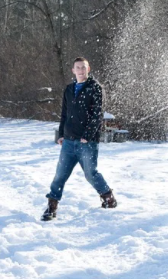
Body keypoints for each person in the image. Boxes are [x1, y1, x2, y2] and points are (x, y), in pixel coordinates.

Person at [42, 57, 117, 221]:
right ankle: (52, 206)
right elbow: (64, 113)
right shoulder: (69, 89)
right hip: (68, 141)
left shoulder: (95, 88)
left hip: (87, 142)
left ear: (88, 69)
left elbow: (97, 114)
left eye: (83, 67)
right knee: (60, 175)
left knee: (91, 174)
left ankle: (108, 198)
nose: (81, 70)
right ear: (73, 70)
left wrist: (87, 135)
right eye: (78, 67)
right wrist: (61, 134)